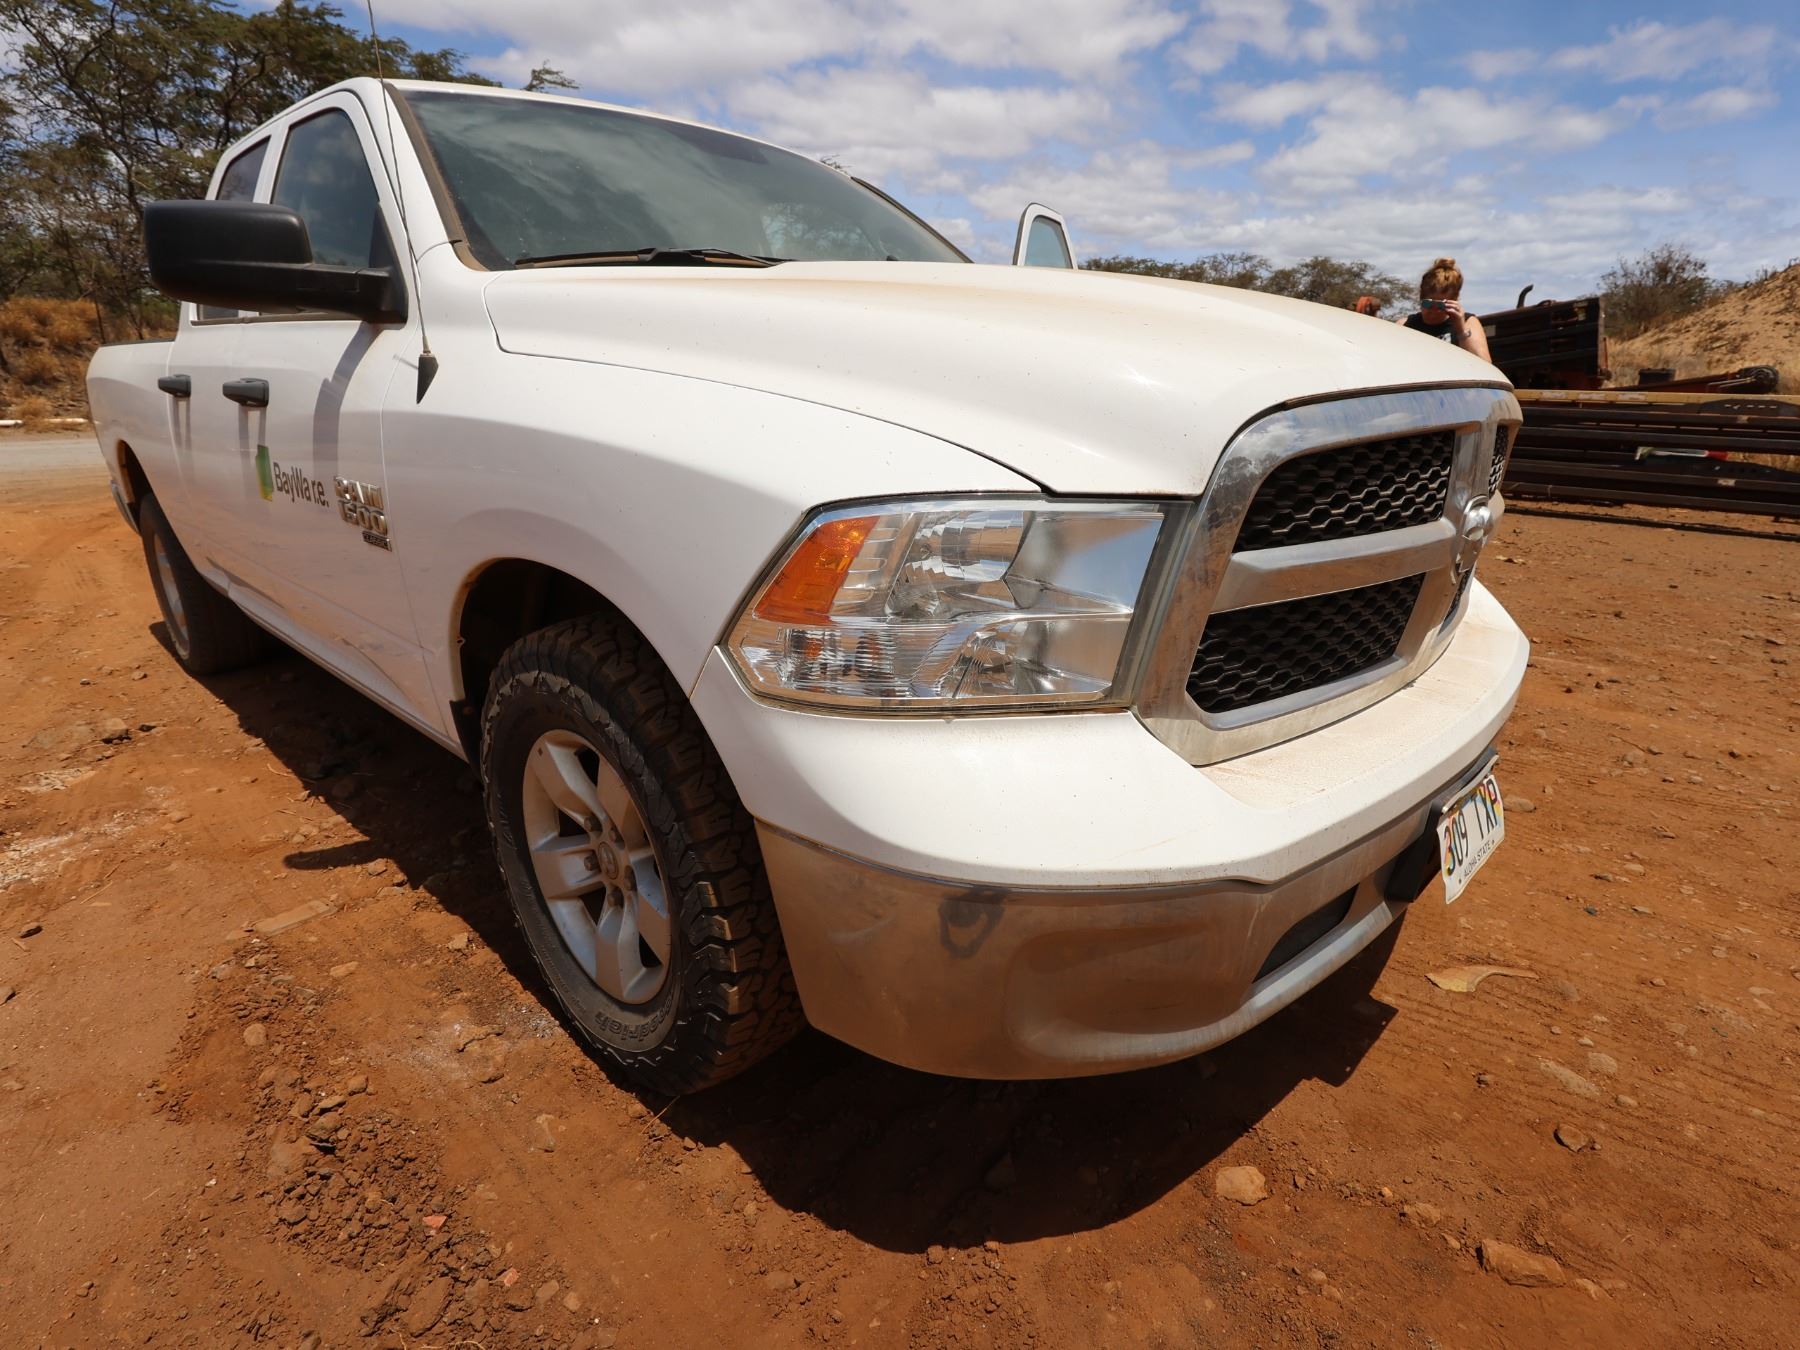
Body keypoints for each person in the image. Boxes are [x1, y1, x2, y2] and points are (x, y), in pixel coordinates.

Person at [1397, 257, 1492, 361]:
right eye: (1428, 304)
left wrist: (1461, 331)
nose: (1434, 310)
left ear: (1454, 301)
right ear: (1421, 298)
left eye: (1441, 305)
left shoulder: (1468, 322)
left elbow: (1485, 364)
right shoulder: (1405, 326)